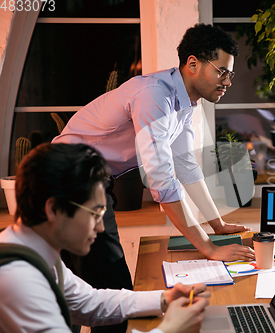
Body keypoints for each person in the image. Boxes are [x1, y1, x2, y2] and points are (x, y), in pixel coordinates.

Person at [52, 24, 254, 331]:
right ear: (193, 63)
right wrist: (210, 249)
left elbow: (185, 165)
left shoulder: (185, 101)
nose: (227, 81)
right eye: (222, 71)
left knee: (79, 289)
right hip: (69, 178)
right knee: (113, 287)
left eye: (230, 74)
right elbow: (161, 178)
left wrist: (217, 224)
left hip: (90, 179)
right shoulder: (154, 94)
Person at [0, 143, 210, 332]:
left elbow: (89, 302)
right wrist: (171, 329)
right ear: (54, 209)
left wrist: (165, 298)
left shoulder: (37, 254)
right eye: (94, 214)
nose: (101, 228)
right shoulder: (17, 279)